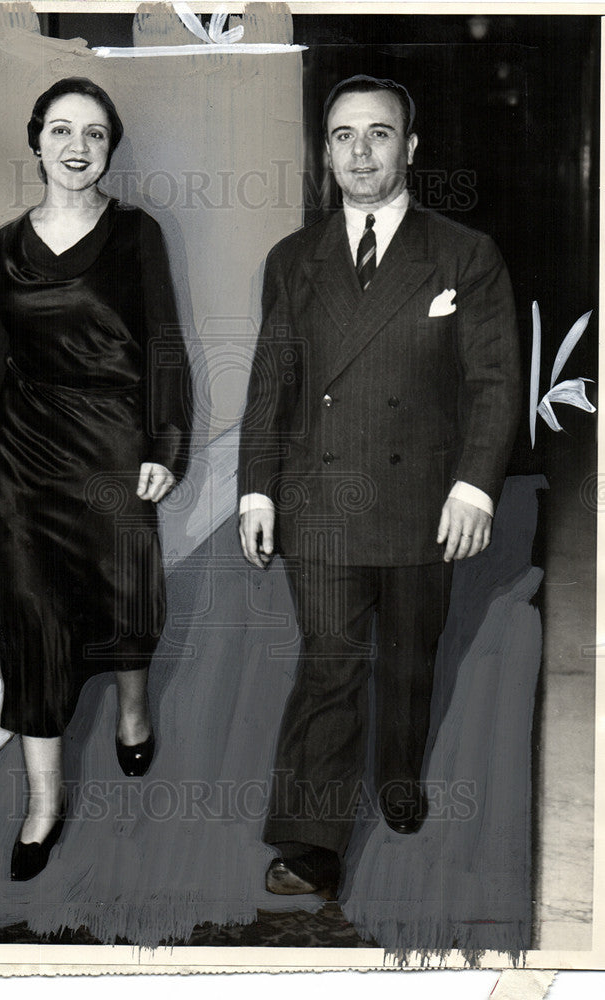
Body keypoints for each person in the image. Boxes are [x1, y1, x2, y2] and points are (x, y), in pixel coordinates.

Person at [238, 75, 520, 898]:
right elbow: (270, 384)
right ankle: (311, 839)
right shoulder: (294, 260)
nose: (360, 153)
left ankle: (398, 773)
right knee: (329, 662)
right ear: (324, 152)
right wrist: (257, 490)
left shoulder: (465, 253)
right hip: (320, 498)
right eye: (342, 136)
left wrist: (474, 486)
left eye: (379, 134)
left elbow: (496, 381)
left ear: (411, 146)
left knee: (407, 656)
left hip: (421, 498)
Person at [0, 77, 191, 881]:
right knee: (33, 617)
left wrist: (167, 446)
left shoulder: (136, 235)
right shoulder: (7, 245)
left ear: (109, 146)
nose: (76, 146)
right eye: (60, 129)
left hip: (115, 448)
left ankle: (131, 706)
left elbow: (163, 343)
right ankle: (43, 803)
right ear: (37, 141)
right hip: (28, 456)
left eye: (93, 132)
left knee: (120, 593)